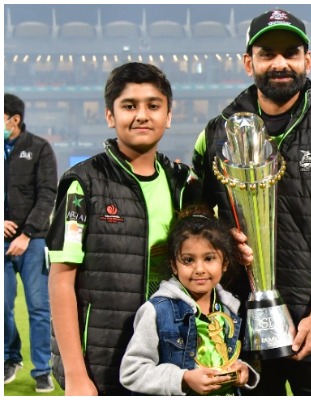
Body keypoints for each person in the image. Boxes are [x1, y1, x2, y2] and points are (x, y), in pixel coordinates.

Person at [192, 9, 311, 396]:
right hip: (241, 326)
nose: (280, 63)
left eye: (290, 52)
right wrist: (223, 239)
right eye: (267, 53)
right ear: (247, 62)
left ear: (307, 60)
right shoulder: (215, 135)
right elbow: (198, 226)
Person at [46, 62, 201, 395]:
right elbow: (61, 278)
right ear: (110, 116)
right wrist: (75, 374)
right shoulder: (82, 184)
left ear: (169, 116)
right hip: (100, 363)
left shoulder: (182, 184)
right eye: (129, 105)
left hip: (165, 360)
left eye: (153, 105)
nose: (142, 115)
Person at [120, 206, 259, 395]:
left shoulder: (231, 307)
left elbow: (240, 357)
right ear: (173, 265)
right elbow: (132, 371)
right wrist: (183, 379)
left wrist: (243, 371)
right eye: (188, 260)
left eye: (209, 258)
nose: (199, 269)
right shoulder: (157, 310)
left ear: (225, 263)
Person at [4, 93, 58, 392]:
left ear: (14, 119)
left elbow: (48, 194)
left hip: (33, 241)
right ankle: (10, 358)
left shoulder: (39, 148)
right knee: (3, 307)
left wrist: (26, 234)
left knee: (39, 307)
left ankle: (42, 370)